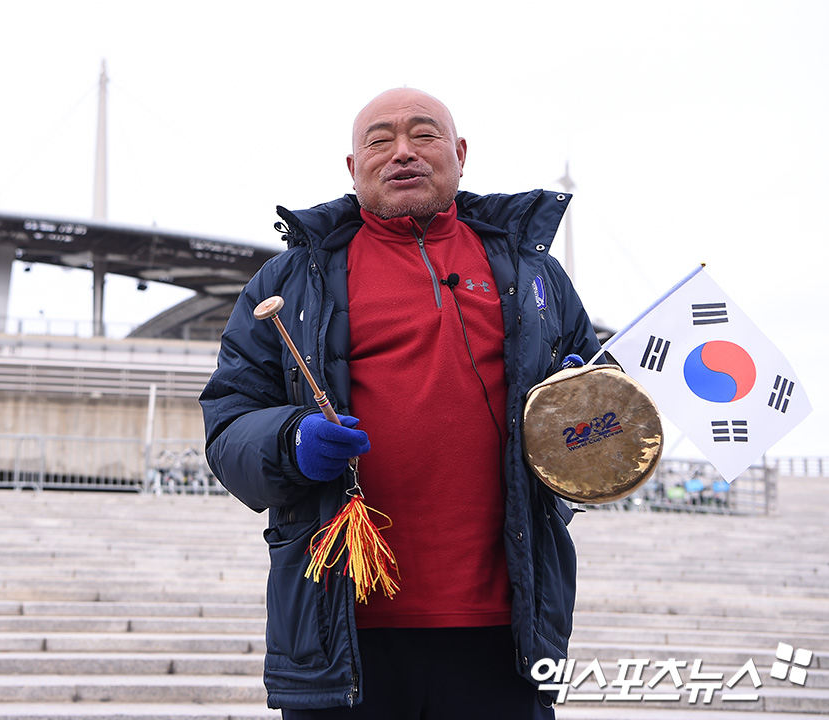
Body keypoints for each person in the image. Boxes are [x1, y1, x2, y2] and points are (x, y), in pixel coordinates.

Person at [199, 88, 602, 719]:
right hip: (342, 628)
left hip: (504, 627)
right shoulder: (285, 284)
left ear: (461, 154)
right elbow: (228, 427)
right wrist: (289, 441)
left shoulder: (535, 278)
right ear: (353, 167)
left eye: (425, 135)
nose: (403, 152)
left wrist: (585, 407)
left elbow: (598, 427)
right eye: (380, 140)